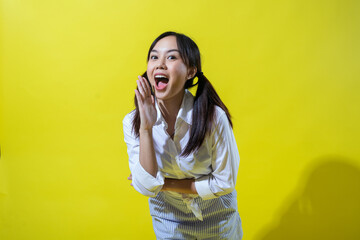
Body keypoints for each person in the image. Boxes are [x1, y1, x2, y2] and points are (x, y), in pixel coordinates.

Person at [123, 31, 243, 239]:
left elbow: (225, 182)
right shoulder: (134, 121)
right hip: (168, 217)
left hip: (218, 216)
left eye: (171, 57)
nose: (160, 64)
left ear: (190, 72)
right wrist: (146, 128)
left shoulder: (213, 118)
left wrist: (166, 184)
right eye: (154, 57)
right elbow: (146, 186)